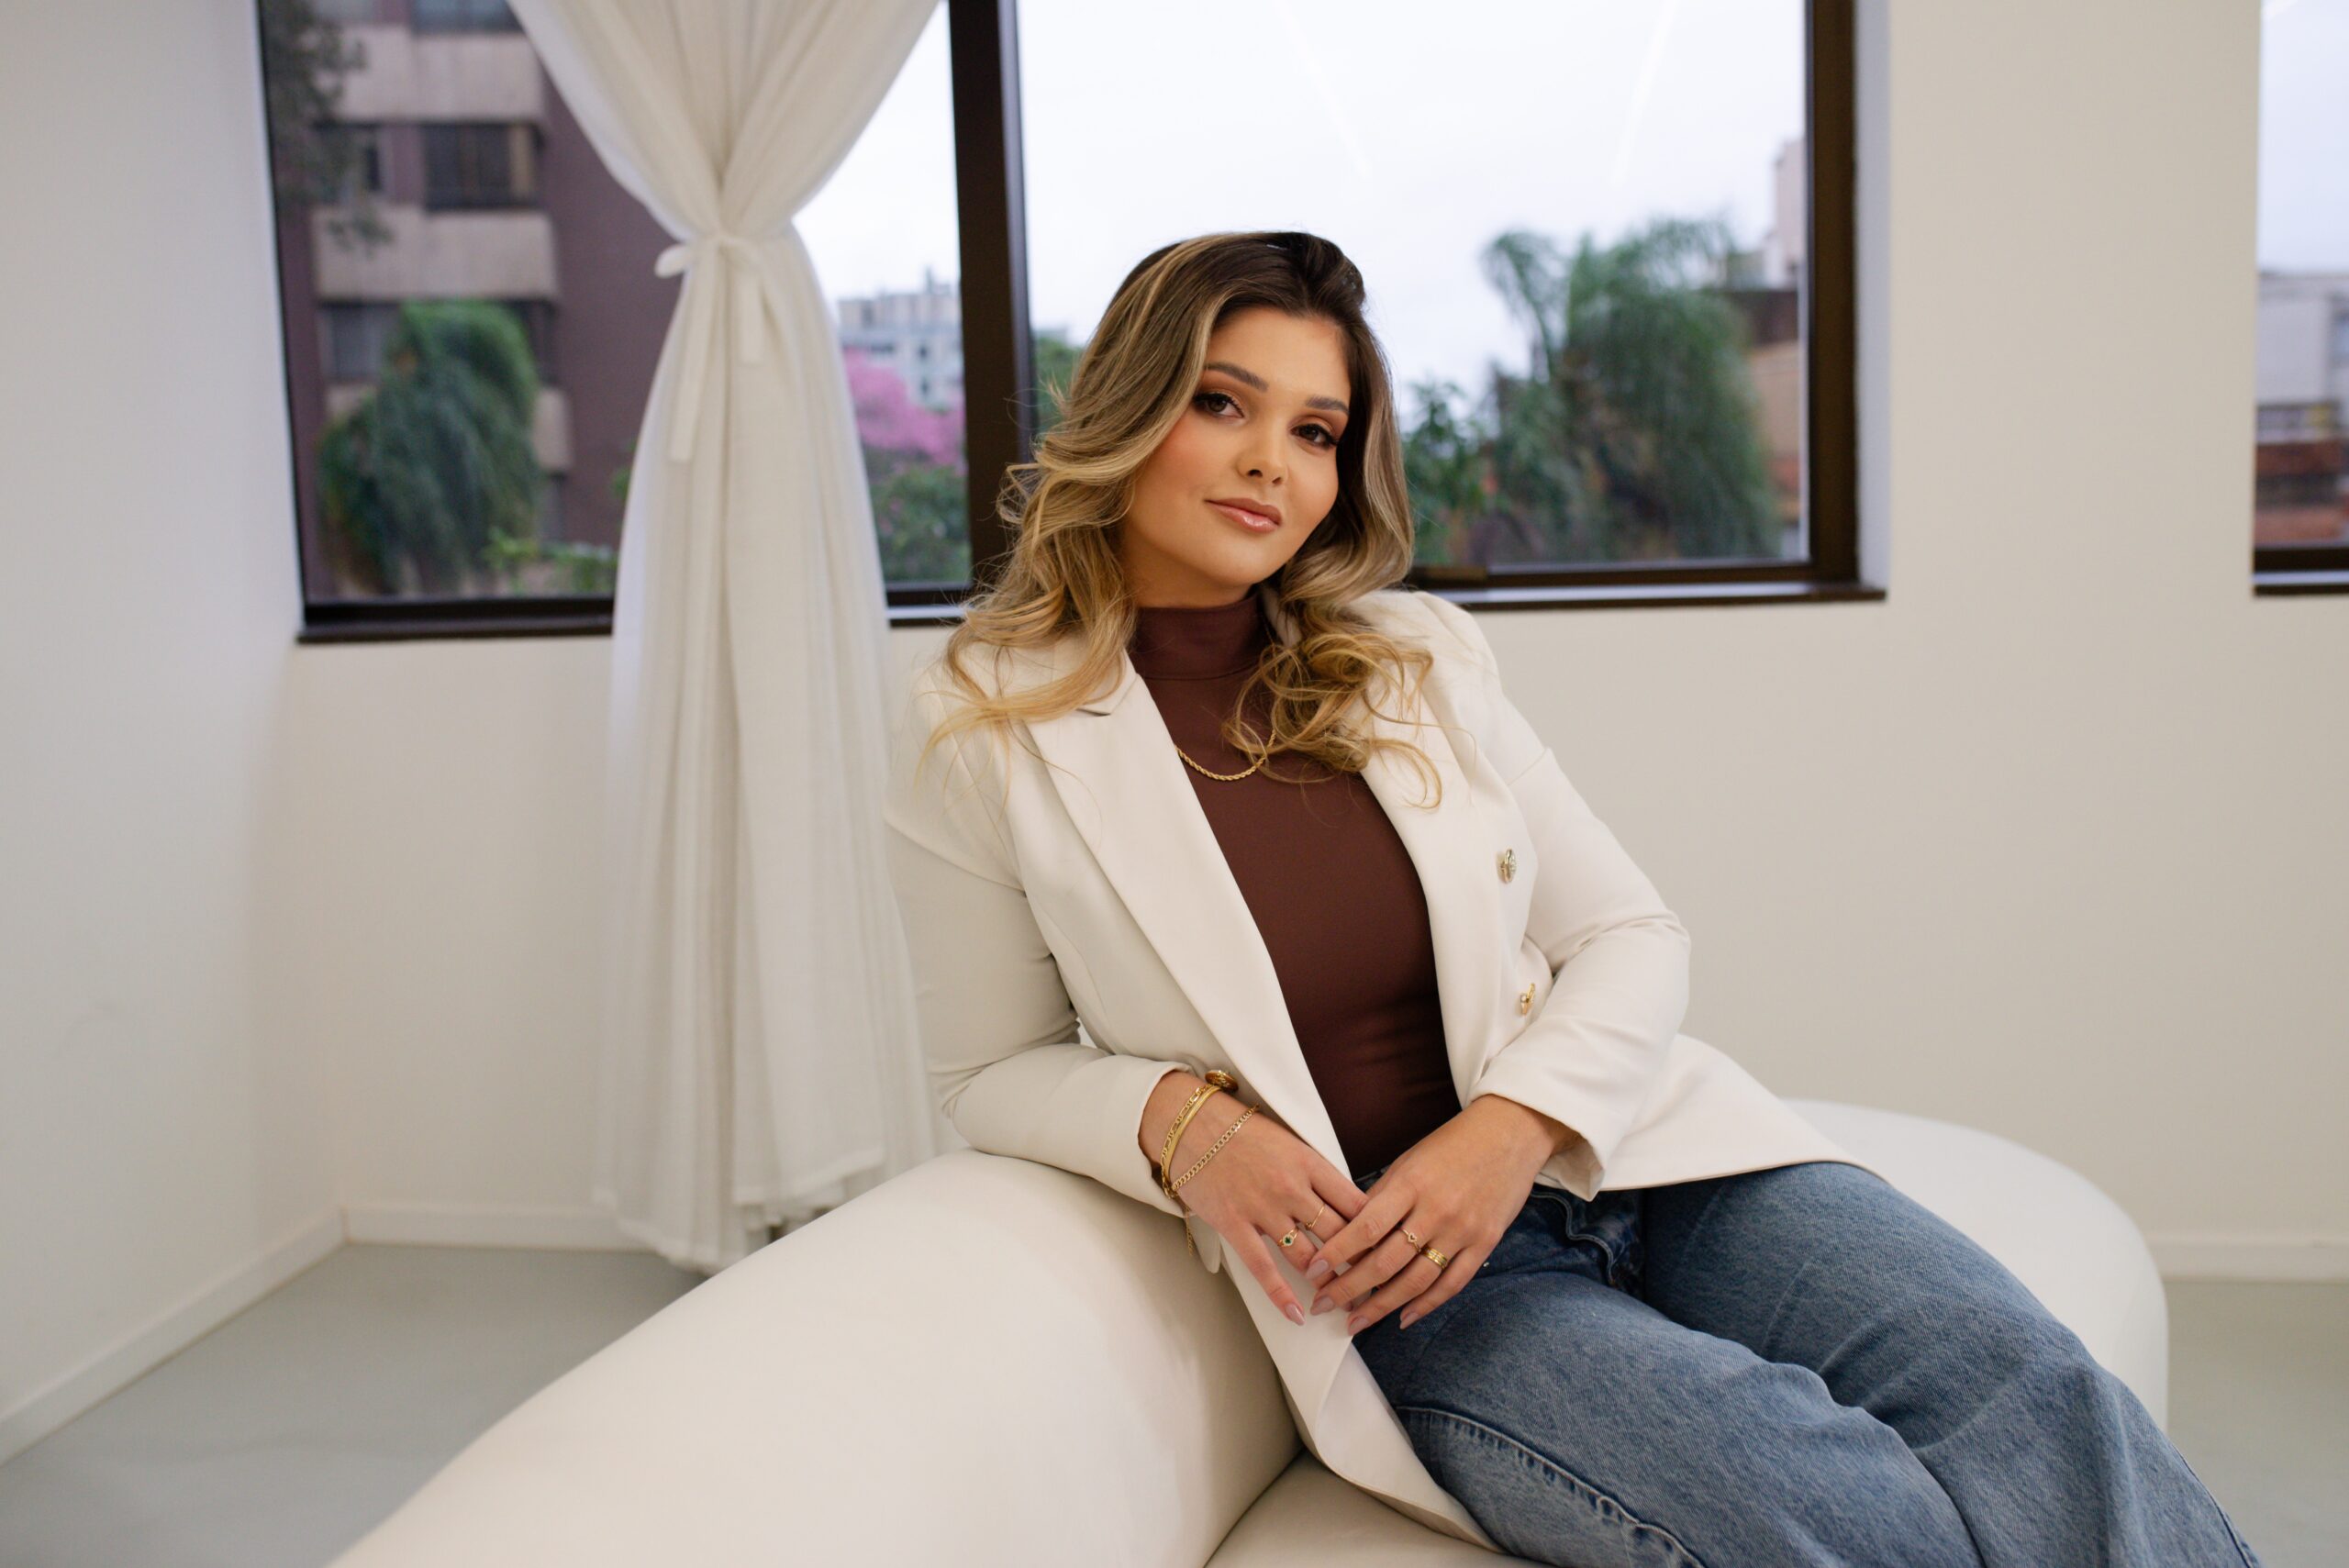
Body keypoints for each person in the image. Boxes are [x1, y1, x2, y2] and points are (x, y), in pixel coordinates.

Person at [882, 229, 2264, 1566]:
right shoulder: (979, 722)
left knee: (2028, 1385)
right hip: (1420, 1289)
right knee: (1829, 1503)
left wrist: (1509, 1130)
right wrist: (1183, 1127)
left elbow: (1629, 933)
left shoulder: (1415, 655)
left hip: (1645, 1161)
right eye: (1222, 403)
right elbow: (987, 1070)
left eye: (1316, 430)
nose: (1270, 462)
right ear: (1129, 409)